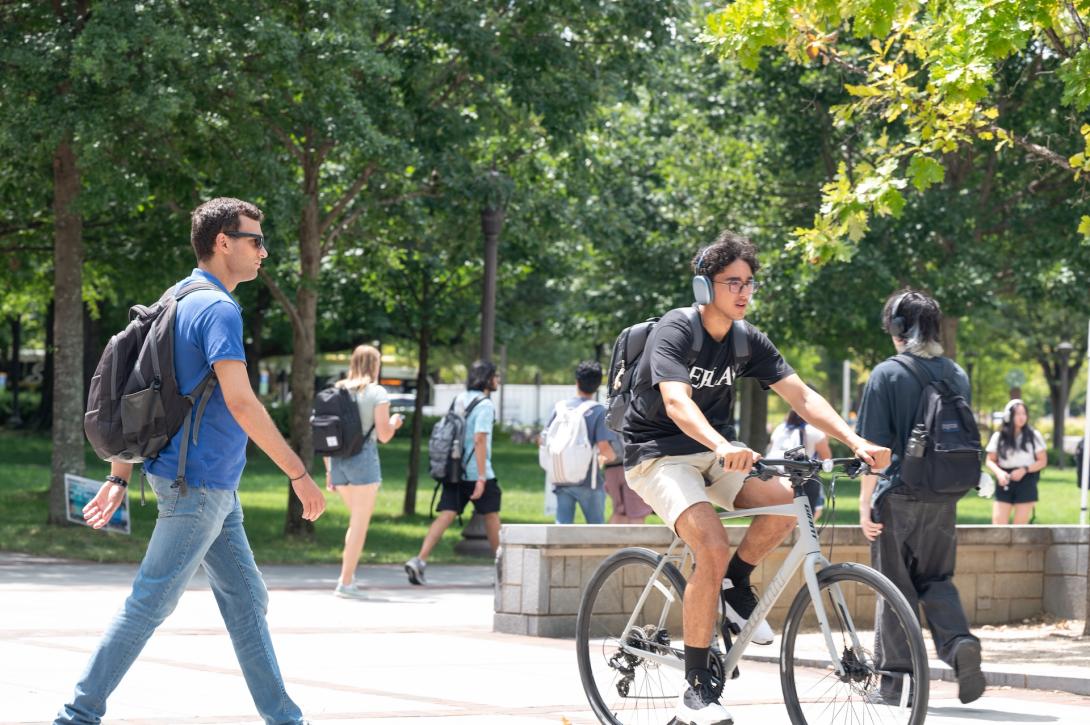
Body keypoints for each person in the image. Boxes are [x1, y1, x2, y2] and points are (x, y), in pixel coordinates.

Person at [57, 198, 326, 725]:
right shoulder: (218, 308)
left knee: (247, 600)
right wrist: (298, 473)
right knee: (150, 602)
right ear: (223, 241)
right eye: (255, 240)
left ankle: (285, 719)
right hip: (196, 486)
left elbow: (141, 389)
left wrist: (118, 471)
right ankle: (77, 715)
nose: (263, 252)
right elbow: (242, 402)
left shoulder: (178, 295)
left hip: (205, 486)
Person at [621, 231, 890, 725]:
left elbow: (802, 397)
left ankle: (734, 586)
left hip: (717, 454)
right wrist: (722, 444)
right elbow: (677, 403)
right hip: (658, 454)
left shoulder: (747, 340)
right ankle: (698, 689)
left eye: (749, 283)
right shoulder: (676, 331)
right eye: (732, 283)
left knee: (786, 505)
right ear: (706, 287)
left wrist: (857, 442)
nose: (744, 293)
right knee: (712, 543)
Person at [856, 288, 986, 705]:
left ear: (897, 328)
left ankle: (896, 684)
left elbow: (874, 451)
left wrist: (864, 503)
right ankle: (959, 643)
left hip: (898, 495)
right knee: (937, 580)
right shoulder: (956, 373)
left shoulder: (887, 374)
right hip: (944, 497)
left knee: (894, 586)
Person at [405, 360, 501, 585]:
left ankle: (419, 560)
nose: (497, 380)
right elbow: (479, 439)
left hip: (453, 469)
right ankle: (503, 569)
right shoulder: (485, 405)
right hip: (477, 472)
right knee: (491, 515)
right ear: (487, 379)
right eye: (495, 376)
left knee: (446, 514)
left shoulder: (459, 399)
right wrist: (480, 477)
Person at [324, 344, 404, 598]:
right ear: (375, 365)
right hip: (363, 462)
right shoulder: (377, 392)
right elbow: (383, 435)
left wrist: (328, 471)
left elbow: (326, 432)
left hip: (337, 464)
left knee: (355, 521)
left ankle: (348, 577)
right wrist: (394, 423)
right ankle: (345, 583)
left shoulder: (336, 390)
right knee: (359, 523)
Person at [546, 361, 614, 524]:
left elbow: (543, 439)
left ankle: (561, 551)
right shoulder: (598, 411)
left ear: (576, 381)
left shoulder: (560, 408)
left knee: (562, 527)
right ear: (598, 385)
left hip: (561, 477)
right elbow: (605, 449)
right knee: (596, 528)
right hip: (588, 482)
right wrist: (613, 457)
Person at [984, 398, 1047, 525]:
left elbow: (1042, 461)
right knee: (998, 526)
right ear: (1008, 416)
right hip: (1005, 480)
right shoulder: (999, 436)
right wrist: (999, 473)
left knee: (1020, 528)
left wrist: (1024, 470)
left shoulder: (1033, 435)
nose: (1022, 417)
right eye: (1018, 414)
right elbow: (990, 460)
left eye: (1024, 413)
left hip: (1026, 479)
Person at [765, 408, 832, 519]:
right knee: (811, 515)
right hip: (802, 478)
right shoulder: (815, 432)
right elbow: (827, 459)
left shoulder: (780, 429)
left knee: (779, 516)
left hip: (775, 476)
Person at [603, 431, 653, 524]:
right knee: (636, 513)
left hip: (610, 469)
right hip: (631, 467)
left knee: (619, 512)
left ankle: (610, 538)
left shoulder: (604, 418)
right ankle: (637, 539)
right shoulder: (631, 418)